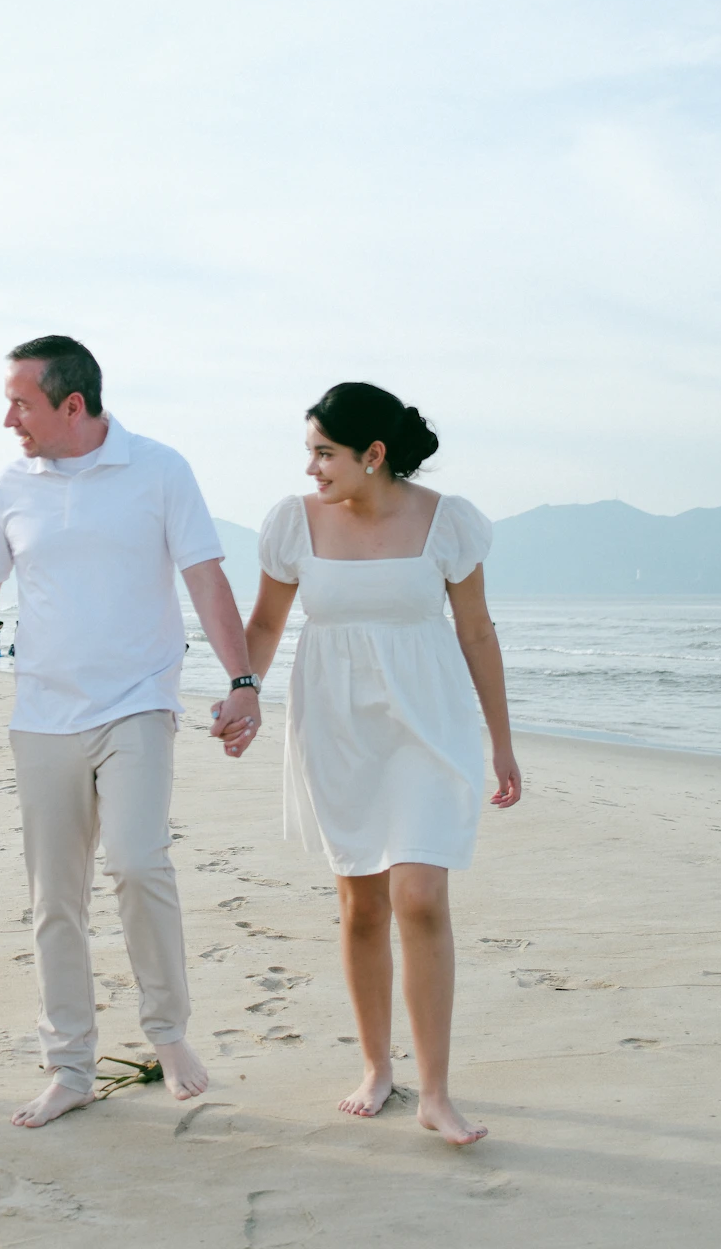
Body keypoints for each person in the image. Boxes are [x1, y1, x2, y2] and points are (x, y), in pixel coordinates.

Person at [0, 335, 262, 1128]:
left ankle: (168, 1033)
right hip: (42, 714)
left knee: (139, 865)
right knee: (55, 898)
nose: (9, 418)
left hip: (137, 700)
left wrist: (242, 681)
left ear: (72, 405)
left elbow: (206, 578)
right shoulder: (10, 484)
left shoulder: (159, 469)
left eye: (21, 403)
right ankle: (69, 1065)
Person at [243, 382, 522, 1147]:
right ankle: (377, 1067)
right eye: (309, 452)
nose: (313, 469)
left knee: (421, 894)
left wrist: (501, 741)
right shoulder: (291, 524)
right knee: (362, 901)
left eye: (324, 453)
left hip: (428, 726)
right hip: (338, 727)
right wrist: (244, 692)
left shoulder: (446, 523)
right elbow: (266, 622)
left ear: (374, 455)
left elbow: (476, 633)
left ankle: (435, 1090)